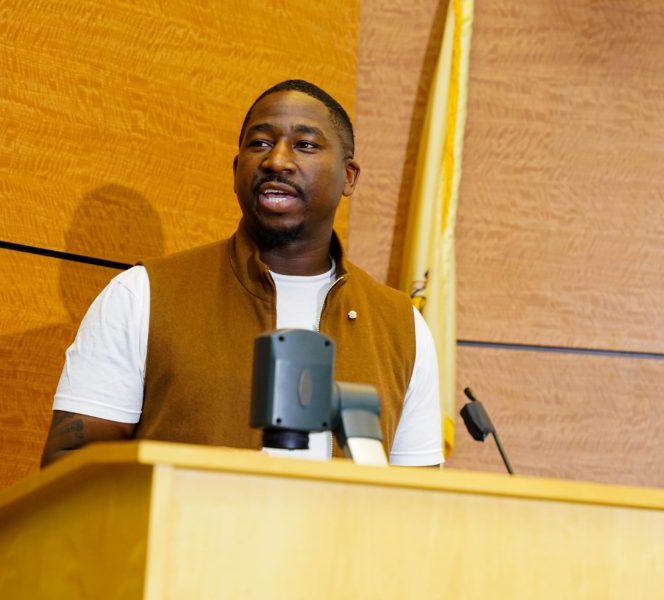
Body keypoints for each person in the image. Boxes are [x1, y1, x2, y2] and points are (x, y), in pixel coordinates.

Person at [40, 80, 443, 468]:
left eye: (304, 145)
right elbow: (71, 470)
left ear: (349, 176)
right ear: (237, 170)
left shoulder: (401, 326)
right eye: (260, 143)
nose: (277, 161)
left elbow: (418, 501)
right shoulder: (142, 295)